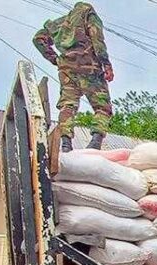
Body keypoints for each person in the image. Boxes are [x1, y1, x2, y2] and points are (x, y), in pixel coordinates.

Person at [33, 2, 114, 153]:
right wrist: (106, 64)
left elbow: (38, 38)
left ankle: (66, 143)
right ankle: (95, 142)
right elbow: (97, 40)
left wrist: (54, 59)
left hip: (67, 69)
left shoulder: (59, 23)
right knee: (102, 107)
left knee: (68, 105)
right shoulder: (89, 15)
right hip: (90, 67)